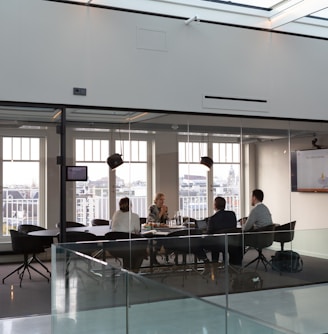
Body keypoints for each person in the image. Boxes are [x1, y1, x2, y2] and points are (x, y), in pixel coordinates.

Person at [111, 197, 146, 271]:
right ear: (130, 205)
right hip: (129, 247)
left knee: (128, 243)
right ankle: (134, 270)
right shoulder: (135, 216)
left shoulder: (116, 214)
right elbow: (137, 230)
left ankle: (127, 268)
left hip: (115, 247)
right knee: (142, 248)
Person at [206, 196, 238, 264]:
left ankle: (214, 265)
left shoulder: (212, 219)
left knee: (212, 243)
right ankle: (233, 266)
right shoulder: (232, 214)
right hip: (232, 242)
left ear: (215, 205)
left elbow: (209, 234)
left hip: (218, 245)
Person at [147, 193, 169, 265]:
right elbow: (153, 221)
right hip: (153, 230)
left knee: (170, 237)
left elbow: (166, 221)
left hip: (163, 230)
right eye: (160, 199)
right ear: (156, 200)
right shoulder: (152, 208)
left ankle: (169, 257)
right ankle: (153, 257)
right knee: (161, 239)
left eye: (163, 200)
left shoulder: (164, 208)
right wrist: (161, 213)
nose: (162, 201)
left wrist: (165, 213)